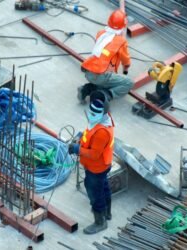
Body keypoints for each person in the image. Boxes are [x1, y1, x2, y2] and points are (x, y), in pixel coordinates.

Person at [68, 91, 114, 234]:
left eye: (95, 112)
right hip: (102, 165)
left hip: (97, 167)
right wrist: (81, 137)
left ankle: (100, 222)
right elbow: (89, 133)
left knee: (95, 193)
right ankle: (107, 213)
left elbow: (94, 154)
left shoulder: (102, 132)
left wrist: (77, 148)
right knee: (103, 187)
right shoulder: (102, 120)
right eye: (91, 109)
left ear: (103, 111)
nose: (91, 113)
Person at [78, 9, 134, 103]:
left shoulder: (101, 33)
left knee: (106, 80)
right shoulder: (121, 41)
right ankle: (105, 95)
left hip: (88, 71)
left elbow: (104, 51)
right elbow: (126, 60)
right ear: (123, 26)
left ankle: (86, 89)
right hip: (101, 75)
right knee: (128, 82)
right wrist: (125, 70)